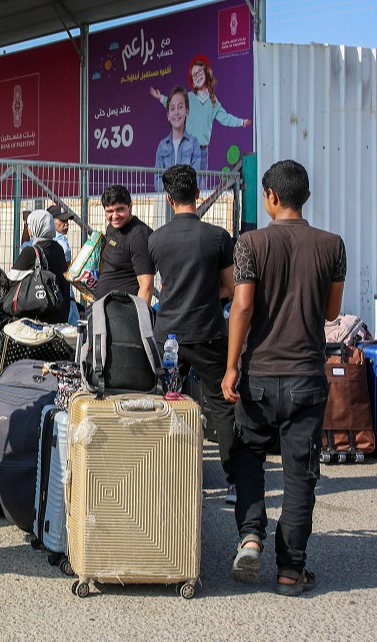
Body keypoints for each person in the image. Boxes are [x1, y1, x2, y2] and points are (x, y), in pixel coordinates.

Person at [221, 160, 346, 597]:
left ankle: (251, 536)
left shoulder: (250, 243)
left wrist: (232, 365)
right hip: (306, 379)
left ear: (271, 197)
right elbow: (332, 313)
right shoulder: (333, 245)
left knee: (249, 458)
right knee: (299, 475)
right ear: (305, 197)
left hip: (258, 375)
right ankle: (291, 571)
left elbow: (242, 308)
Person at [148, 164, 237, 502]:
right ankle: (233, 482)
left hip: (167, 335)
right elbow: (229, 288)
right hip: (209, 333)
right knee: (221, 405)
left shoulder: (156, 240)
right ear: (197, 194)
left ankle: (164, 479)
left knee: (164, 404)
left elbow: (153, 285)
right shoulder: (218, 238)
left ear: (169, 199)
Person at [150, 55, 251, 170]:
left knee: (201, 183)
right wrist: (161, 98)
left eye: (199, 72)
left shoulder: (213, 101)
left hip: (203, 150)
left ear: (206, 72)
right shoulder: (188, 97)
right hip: (187, 147)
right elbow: (174, 104)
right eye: (194, 75)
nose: (197, 76)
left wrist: (241, 122)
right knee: (186, 181)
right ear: (192, 82)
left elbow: (225, 118)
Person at [9, 209, 71, 324]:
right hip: (59, 314)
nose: (28, 229)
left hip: (37, 317)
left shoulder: (31, 251)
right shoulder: (58, 249)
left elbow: (11, 279)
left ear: (36, 227)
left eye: (29, 225)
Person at [96, 185, 155, 301]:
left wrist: (140, 317)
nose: (115, 216)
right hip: (104, 307)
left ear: (130, 206)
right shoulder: (111, 228)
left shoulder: (139, 236)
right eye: (109, 211)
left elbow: (146, 286)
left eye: (120, 210)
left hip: (124, 311)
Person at [154, 86, 200, 188]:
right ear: (168, 116)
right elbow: (157, 179)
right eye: (172, 108)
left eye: (180, 107)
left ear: (187, 111)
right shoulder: (162, 146)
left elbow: (196, 176)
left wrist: (181, 193)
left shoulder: (194, 143)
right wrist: (170, 192)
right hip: (166, 200)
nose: (176, 113)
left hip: (186, 201)